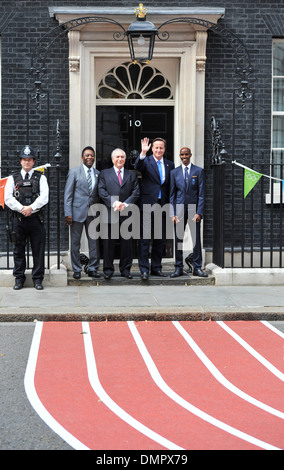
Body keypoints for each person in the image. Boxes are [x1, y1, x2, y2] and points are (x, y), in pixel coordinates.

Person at [4, 145, 49, 290]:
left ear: (34, 161)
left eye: (29, 160)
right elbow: (8, 198)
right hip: (19, 219)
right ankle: (19, 279)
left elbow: (44, 197)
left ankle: (37, 279)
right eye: (24, 159)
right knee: (18, 250)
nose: (27, 162)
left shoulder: (41, 178)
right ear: (20, 161)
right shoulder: (13, 178)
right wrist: (22, 208)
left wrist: (31, 208)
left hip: (35, 219)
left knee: (38, 250)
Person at [134, 137, 174, 280]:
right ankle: (144, 269)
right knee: (144, 239)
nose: (158, 150)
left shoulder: (170, 164)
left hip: (162, 205)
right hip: (147, 204)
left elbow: (170, 187)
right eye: (156, 147)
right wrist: (143, 153)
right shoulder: (146, 161)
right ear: (152, 148)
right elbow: (137, 167)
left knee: (160, 239)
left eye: (161, 148)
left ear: (164, 149)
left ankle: (156, 268)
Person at [98, 148, 140, 279]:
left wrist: (125, 204)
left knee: (127, 244)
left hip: (127, 214)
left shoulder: (131, 175)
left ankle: (126, 270)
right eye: (117, 157)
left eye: (122, 157)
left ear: (125, 159)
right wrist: (115, 203)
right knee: (108, 244)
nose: (120, 159)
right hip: (110, 212)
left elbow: (136, 192)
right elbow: (102, 191)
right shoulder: (104, 174)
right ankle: (108, 270)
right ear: (112, 159)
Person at [169, 146, 208, 277]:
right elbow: (172, 195)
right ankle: (178, 267)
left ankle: (197, 267)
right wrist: (172, 213)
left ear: (190, 155)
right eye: (182, 155)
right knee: (178, 240)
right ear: (179, 156)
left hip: (193, 209)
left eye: (186, 154)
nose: (184, 157)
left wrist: (199, 212)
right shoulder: (174, 172)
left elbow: (202, 194)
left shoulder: (199, 171)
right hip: (179, 209)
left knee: (196, 240)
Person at [64, 146, 100, 279]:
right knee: (75, 242)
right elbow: (68, 195)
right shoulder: (74, 172)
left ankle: (92, 268)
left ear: (94, 157)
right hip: (76, 212)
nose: (89, 157)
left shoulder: (98, 173)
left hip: (93, 213)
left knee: (94, 242)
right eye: (87, 155)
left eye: (92, 155)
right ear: (82, 157)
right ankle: (77, 269)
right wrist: (68, 213)